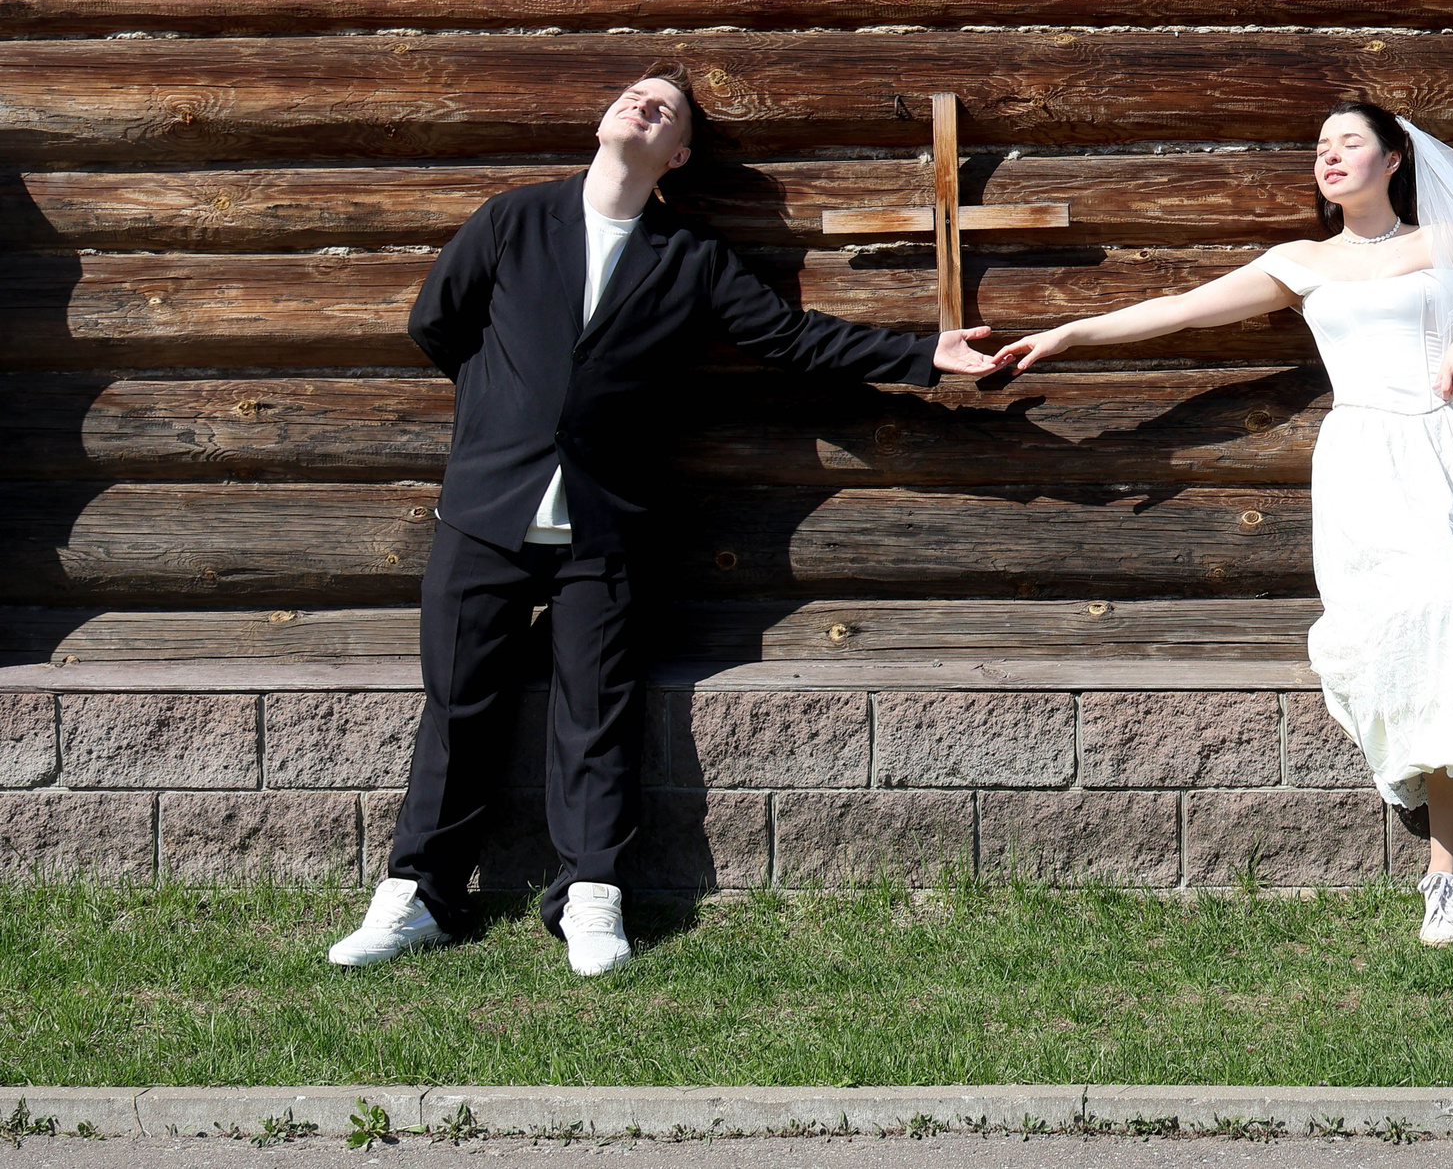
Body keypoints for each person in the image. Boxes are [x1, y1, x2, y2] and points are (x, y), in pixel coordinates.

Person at [327, 63, 1001, 975]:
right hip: (484, 510)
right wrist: (506, 416)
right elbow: (436, 325)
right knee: (458, 706)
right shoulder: (514, 218)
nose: (640, 105)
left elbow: (795, 341)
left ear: (677, 152)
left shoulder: (692, 258)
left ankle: (592, 899)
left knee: (598, 713)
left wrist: (923, 352)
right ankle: (418, 897)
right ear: (605, 118)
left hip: (605, 526)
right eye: (631, 94)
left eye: (664, 108)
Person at [996, 101, 1453, 942]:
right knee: (1406, 628)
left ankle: (1446, 872)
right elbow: (1184, 307)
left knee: (1448, 603)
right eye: (1321, 147)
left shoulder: (1451, 244)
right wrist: (1070, 333)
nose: (1330, 157)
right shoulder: (1301, 261)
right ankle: (1449, 827)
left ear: (1394, 159)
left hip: (1449, 450)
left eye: (1349, 142)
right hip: (1363, 459)